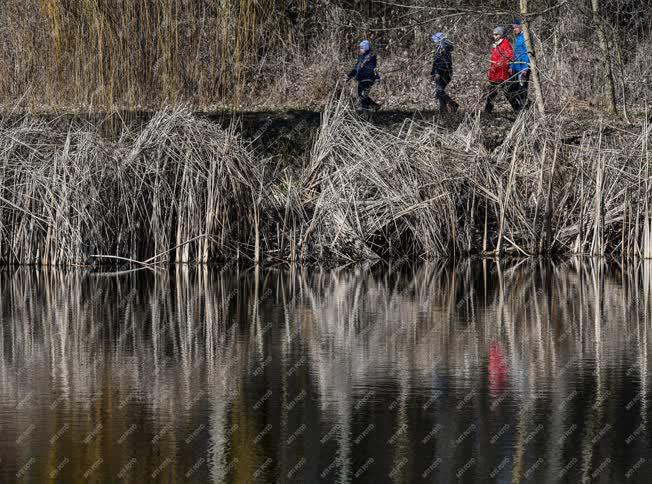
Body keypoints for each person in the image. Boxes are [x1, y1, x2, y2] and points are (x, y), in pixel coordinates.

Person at [483, 27, 520, 113]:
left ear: (501, 35)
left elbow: (509, 57)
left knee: (508, 93)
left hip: (502, 73)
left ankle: (518, 109)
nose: (494, 36)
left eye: (496, 34)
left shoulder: (505, 44)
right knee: (492, 92)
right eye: (494, 34)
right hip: (494, 73)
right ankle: (488, 110)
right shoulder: (495, 45)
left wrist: (499, 63)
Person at [345, 40, 381, 111]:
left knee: (363, 95)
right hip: (361, 79)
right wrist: (348, 77)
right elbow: (356, 69)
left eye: (362, 48)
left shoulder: (371, 57)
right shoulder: (361, 58)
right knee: (361, 95)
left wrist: (376, 78)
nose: (360, 50)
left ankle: (365, 111)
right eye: (360, 48)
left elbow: (372, 68)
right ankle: (375, 106)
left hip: (368, 79)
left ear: (366, 48)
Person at [430, 32, 459, 113]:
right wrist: (433, 73)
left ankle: (452, 104)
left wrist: (438, 72)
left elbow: (445, 62)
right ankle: (443, 111)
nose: (434, 42)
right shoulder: (441, 47)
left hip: (444, 73)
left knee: (439, 91)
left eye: (435, 40)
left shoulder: (444, 47)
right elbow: (436, 62)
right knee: (439, 91)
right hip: (441, 72)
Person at [510, 18, 531, 111]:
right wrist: (511, 67)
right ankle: (527, 103)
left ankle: (525, 108)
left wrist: (525, 68)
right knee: (515, 88)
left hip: (523, 67)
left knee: (522, 88)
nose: (514, 29)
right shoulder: (518, 37)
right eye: (513, 28)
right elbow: (515, 54)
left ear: (521, 27)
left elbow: (527, 54)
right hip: (516, 67)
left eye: (516, 27)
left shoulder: (525, 38)